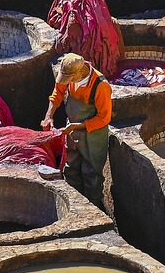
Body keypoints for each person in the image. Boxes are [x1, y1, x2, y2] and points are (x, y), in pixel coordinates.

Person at [41, 54, 112, 206]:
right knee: (70, 167)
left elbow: (104, 118)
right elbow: (57, 94)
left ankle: (94, 210)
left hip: (94, 136)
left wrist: (78, 126)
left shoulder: (101, 86)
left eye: (70, 79)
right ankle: (74, 205)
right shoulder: (69, 76)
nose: (67, 82)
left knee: (91, 174)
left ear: (81, 72)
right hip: (72, 130)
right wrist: (49, 115)